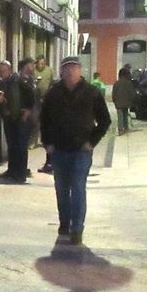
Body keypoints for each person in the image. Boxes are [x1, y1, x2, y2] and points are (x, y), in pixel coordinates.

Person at [40, 57, 111, 244]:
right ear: (61, 72)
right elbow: (44, 120)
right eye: (67, 68)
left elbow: (105, 120)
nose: (70, 72)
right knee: (62, 189)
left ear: (80, 70)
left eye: (74, 68)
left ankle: (77, 228)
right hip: (59, 150)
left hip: (81, 149)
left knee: (78, 187)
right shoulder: (53, 93)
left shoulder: (91, 92)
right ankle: (64, 223)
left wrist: (92, 141)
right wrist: (47, 143)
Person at [0, 57, 37, 182]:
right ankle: (12, 170)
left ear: (9, 70)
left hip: (20, 118)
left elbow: (31, 94)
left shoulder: (18, 80)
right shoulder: (5, 82)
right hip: (11, 118)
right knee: (12, 146)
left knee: (20, 146)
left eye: (4, 71)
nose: (2, 73)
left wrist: (28, 110)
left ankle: (20, 174)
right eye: (1, 71)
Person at [111, 65, 137, 134]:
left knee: (120, 116)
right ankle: (126, 128)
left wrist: (114, 101)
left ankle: (120, 130)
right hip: (126, 102)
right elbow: (132, 93)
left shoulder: (116, 83)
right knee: (125, 115)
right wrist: (131, 101)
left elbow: (114, 93)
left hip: (118, 103)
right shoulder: (128, 83)